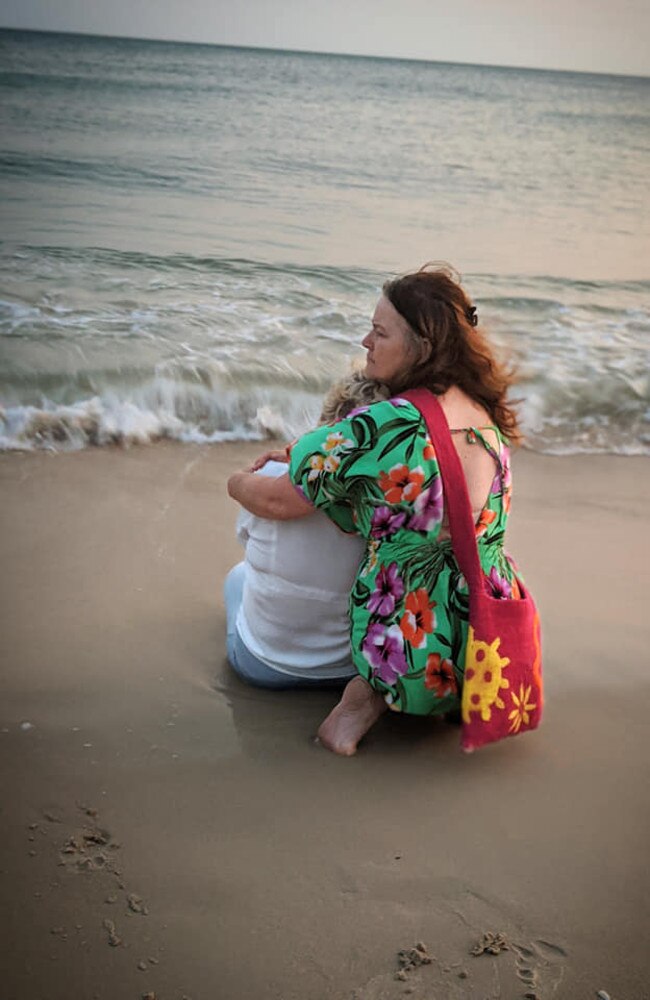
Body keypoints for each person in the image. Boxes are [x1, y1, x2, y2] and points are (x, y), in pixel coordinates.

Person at [227, 264, 522, 754]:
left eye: (380, 332)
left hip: (406, 628)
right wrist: (319, 452)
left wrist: (237, 483)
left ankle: (354, 714)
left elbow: (279, 501)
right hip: (474, 616)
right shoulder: (481, 417)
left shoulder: (387, 423)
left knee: (342, 716)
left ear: (421, 346)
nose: (366, 341)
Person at [224, 371, 389, 689]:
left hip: (262, 666)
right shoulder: (389, 499)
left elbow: (245, 537)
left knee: (237, 576)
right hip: (346, 670)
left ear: (330, 420)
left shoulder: (274, 476)